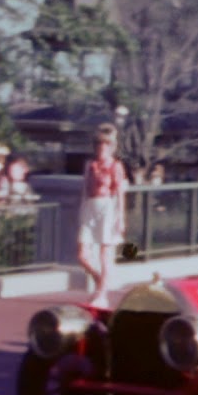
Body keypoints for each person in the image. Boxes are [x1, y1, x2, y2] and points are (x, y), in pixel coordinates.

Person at [78, 124, 127, 307]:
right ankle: (99, 280)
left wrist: (120, 218)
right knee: (83, 255)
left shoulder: (115, 166)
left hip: (107, 208)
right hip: (90, 208)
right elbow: (85, 190)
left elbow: (120, 193)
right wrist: (82, 211)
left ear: (111, 148)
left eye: (105, 146)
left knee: (104, 255)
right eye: (99, 146)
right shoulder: (90, 165)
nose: (101, 149)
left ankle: (102, 294)